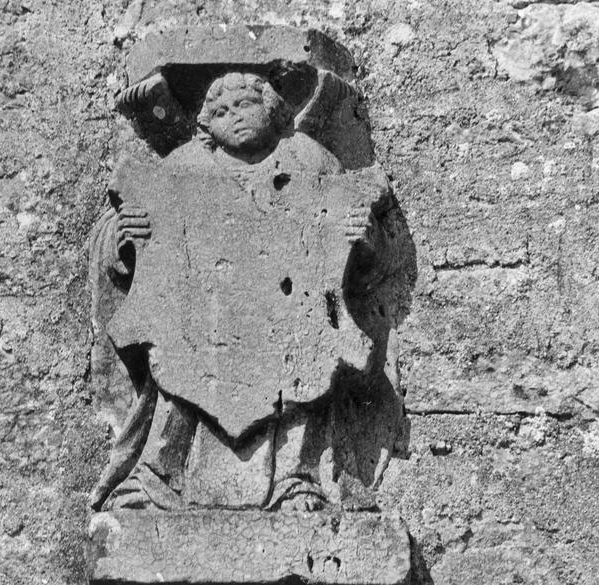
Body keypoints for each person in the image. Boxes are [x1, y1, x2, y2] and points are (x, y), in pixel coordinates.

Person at [89, 72, 403, 512]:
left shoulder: (309, 160)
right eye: (220, 111)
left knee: (306, 370)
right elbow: (132, 244)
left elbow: (355, 258)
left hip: (288, 314)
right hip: (202, 320)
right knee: (177, 371)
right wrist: (126, 236)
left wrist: (364, 237)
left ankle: (297, 479)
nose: (233, 117)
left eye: (244, 105)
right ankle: (158, 477)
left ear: (272, 109)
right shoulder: (183, 166)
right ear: (206, 124)